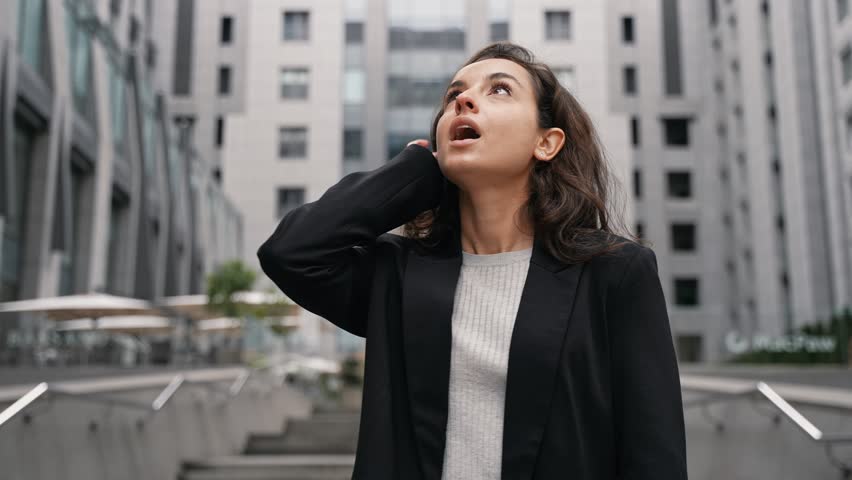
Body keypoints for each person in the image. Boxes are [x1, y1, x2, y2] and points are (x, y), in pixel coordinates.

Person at [258, 42, 687, 480]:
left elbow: (653, 452)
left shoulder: (614, 272)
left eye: (499, 90)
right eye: (452, 96)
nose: (463, 99)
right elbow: (292, 253)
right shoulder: (398, 274)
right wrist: (414, 172)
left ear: (546, 142)